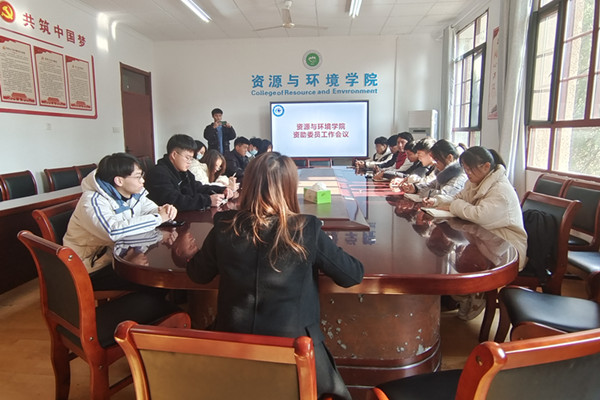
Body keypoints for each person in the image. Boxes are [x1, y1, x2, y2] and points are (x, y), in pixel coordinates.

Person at [186, 152, 364, 400]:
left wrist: (192, 253)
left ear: (248, 185)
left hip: (233, 349)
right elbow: (352, 275)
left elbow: (198, 274)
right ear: (290, 187)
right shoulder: (306, 228)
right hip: (295, 353)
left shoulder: (225, 225)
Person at [63, 152, 177, 291]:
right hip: (90, 268)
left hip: (118, 256)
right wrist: (158, 218)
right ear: (119, 181)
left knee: (158, 272)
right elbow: (113, 231)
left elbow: (151, 209)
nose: (143, 181)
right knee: (156, 279)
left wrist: (164, 210)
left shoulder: (132, 194)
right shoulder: (93, 201)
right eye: (138, 177)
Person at [437, 147, 527, 320]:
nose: (467, 173)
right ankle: (461, 295)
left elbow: (479, 215)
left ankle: (474, 294)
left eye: (470, 169)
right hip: (485, 237)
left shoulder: (501, 190)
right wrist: (440, 202)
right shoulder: (474, 182)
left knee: (464, 257)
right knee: (457, 256)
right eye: (465, 168)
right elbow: (457, 199)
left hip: (505, 245)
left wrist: (455, 206)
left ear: (486, 166)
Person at [145, 134, 232, 211]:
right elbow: (174, 201)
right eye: (187, 158)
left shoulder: (183, 172)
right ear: (174, 155)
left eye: (191, 158)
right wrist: (208, 200)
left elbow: (198, 187)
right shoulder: (158, 174)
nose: (190, 162)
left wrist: (221, 190)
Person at [401, 139, 467, 206]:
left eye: (437, 160)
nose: (434, 163)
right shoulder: (443, 173)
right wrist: (415, 188)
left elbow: (443, 195)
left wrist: (424, 192)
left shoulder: (459, 177)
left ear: (449, 157)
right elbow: (430, 185)